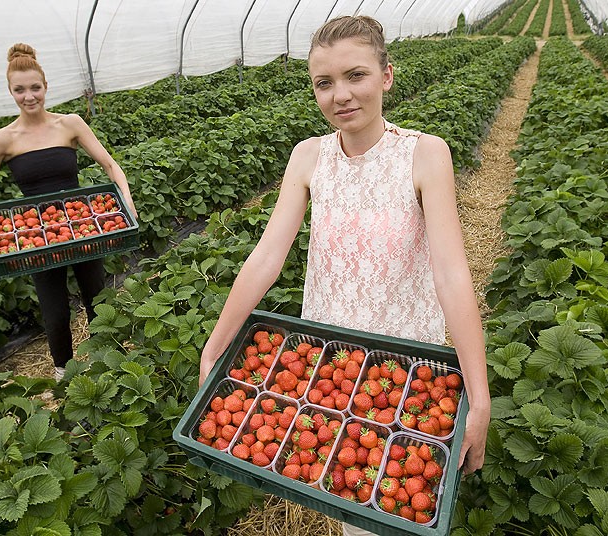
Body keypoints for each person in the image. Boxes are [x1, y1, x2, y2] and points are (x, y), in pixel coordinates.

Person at [197, 16, 489, 534]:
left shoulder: (424, 155)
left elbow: (451, 275)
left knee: (390, 507)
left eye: (356, 75)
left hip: (407, 364)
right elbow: (266, 258)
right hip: (331, 362)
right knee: (351, 492)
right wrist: (214, 346)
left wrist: (479, 396)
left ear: (386, 76)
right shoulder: (308, 158)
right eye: (324, 82)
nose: (340, 95)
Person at [0, 43, 137, 381]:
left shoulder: (69, 124)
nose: (29, 96)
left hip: (82, 222)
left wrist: (125, 200)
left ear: (45, 87)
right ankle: (62, 370)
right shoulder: (2, 139)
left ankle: (107, 356)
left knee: (96, 297)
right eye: (20, 89)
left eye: (35, 88)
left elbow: (111, 165)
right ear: (11, 91)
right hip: (35, 236)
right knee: (54, 311)